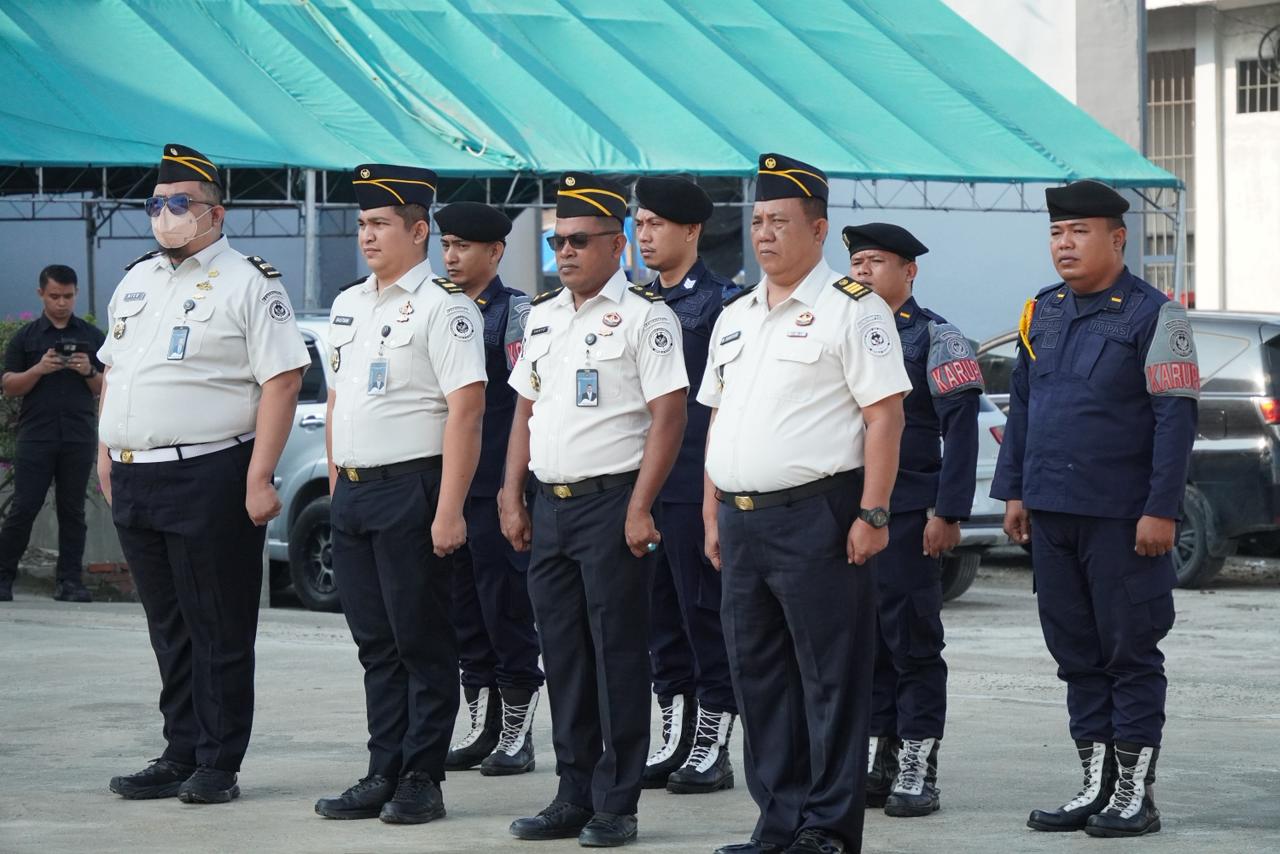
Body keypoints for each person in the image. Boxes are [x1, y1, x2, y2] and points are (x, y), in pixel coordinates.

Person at [702, 153, 911, 854]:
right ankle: (779, 820)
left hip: (816, 517)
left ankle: (826, 828)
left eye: (779, 222)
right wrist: (712, 511)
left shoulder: (854, 310)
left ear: (818, 230)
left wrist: (873, 512)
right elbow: (719, 418)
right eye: (757, 221)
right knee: (758, 678)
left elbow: (885, 416)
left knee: (830, 680)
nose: (764, 234)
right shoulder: (734, 317)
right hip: (741, 519)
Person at [99, 144, 310, 804]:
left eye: (179, 204)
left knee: (217, 624)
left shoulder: (251, 280)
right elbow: (114, 374)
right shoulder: (136, 278)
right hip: (137, 476)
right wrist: (105, 456)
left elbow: (282, 379)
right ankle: (180, 748)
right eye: (157, 204)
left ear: (215, 213)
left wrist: (260, 476)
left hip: (210, 472)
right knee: (169, 627)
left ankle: (219, 760)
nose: (165, 215)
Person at [991, 180, 1198, 838]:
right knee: (1076, 653)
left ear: (1118, 238)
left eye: (1079, 232)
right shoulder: (1041, 311)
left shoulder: (1159, 316)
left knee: (1129, 652)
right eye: (1057, 233)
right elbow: (1024, 406)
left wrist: (1161, 510)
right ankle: (1095, 786)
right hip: (1052, 512)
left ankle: (1135, 795)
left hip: (1122, 517)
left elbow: (1175, 419)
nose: (1064, 244)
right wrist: (1015, 491)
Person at [500, 172, 688, 848]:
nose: (566, 252)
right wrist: (509, 491)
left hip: (612, 505)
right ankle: (571, 793)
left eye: (579, 241)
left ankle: (617, 802)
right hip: (550, 505)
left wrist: (641, 507)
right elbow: (526, 408)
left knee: (616, 656)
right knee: (565, 657)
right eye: (557, 242)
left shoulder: (645, 317)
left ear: (617, 245)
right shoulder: (544, 315)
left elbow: (669, 417)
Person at [314, 165, 486, 825]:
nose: (367, 236)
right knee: (375, 644)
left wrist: (448, 510)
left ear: (419, 230)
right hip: (355, 493)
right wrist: (335, 485)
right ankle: (381, 769)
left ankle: (422, 776)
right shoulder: (350, 304)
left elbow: (465, 411)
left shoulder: (447, 307)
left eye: (380, 223)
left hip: (413, 488)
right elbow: (335, 403)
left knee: (421, 640)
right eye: (362, 224)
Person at [844, 223, 981, 818]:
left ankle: (916, 764)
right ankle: (878, 755)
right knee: (864, 640)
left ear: (909, 271)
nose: (863, 272)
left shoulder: (937, 337)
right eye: (855, 261)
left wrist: (948, 512)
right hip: (847, 510)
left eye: (875, 262)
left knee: (911, 641)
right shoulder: (842, 329)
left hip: (906, 511)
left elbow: (962, 431)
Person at [632, 175, 738, 795]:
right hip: (646, 484)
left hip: (696, 483)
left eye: (657, 225)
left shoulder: (721, 305)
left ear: (692, 231)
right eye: (640, 225)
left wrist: (713, 502)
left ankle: (711, 746)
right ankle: (672, 739)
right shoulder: (639, 305)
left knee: (705, 619)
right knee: (660, 621)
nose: (645, 236)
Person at [433, 201, 544, 778]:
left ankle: (516, 733)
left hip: (497, 485)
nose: (451, 256)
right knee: (463, 613)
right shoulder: (434, 307)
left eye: (464, 247)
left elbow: (528, 403)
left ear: (495, 252)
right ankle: (480, 726)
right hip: (449, 486)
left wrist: (514, 489)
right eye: (446, 244)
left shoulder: (515, 315)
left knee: (506, 611)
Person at [0, 265, 105, 602]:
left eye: (69, 296)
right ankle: (3, 578)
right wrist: (38, 369)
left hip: (78, 433)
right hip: (36, 434)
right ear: (41, 294)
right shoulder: (27, 338)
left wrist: (87, 370)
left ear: (76, 293)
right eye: (55, 296)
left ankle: (70, 582)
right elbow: (9, 386)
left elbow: (109, 386)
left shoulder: (91, 336)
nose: (62, 303)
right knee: (25, 507)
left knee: (72, 510)